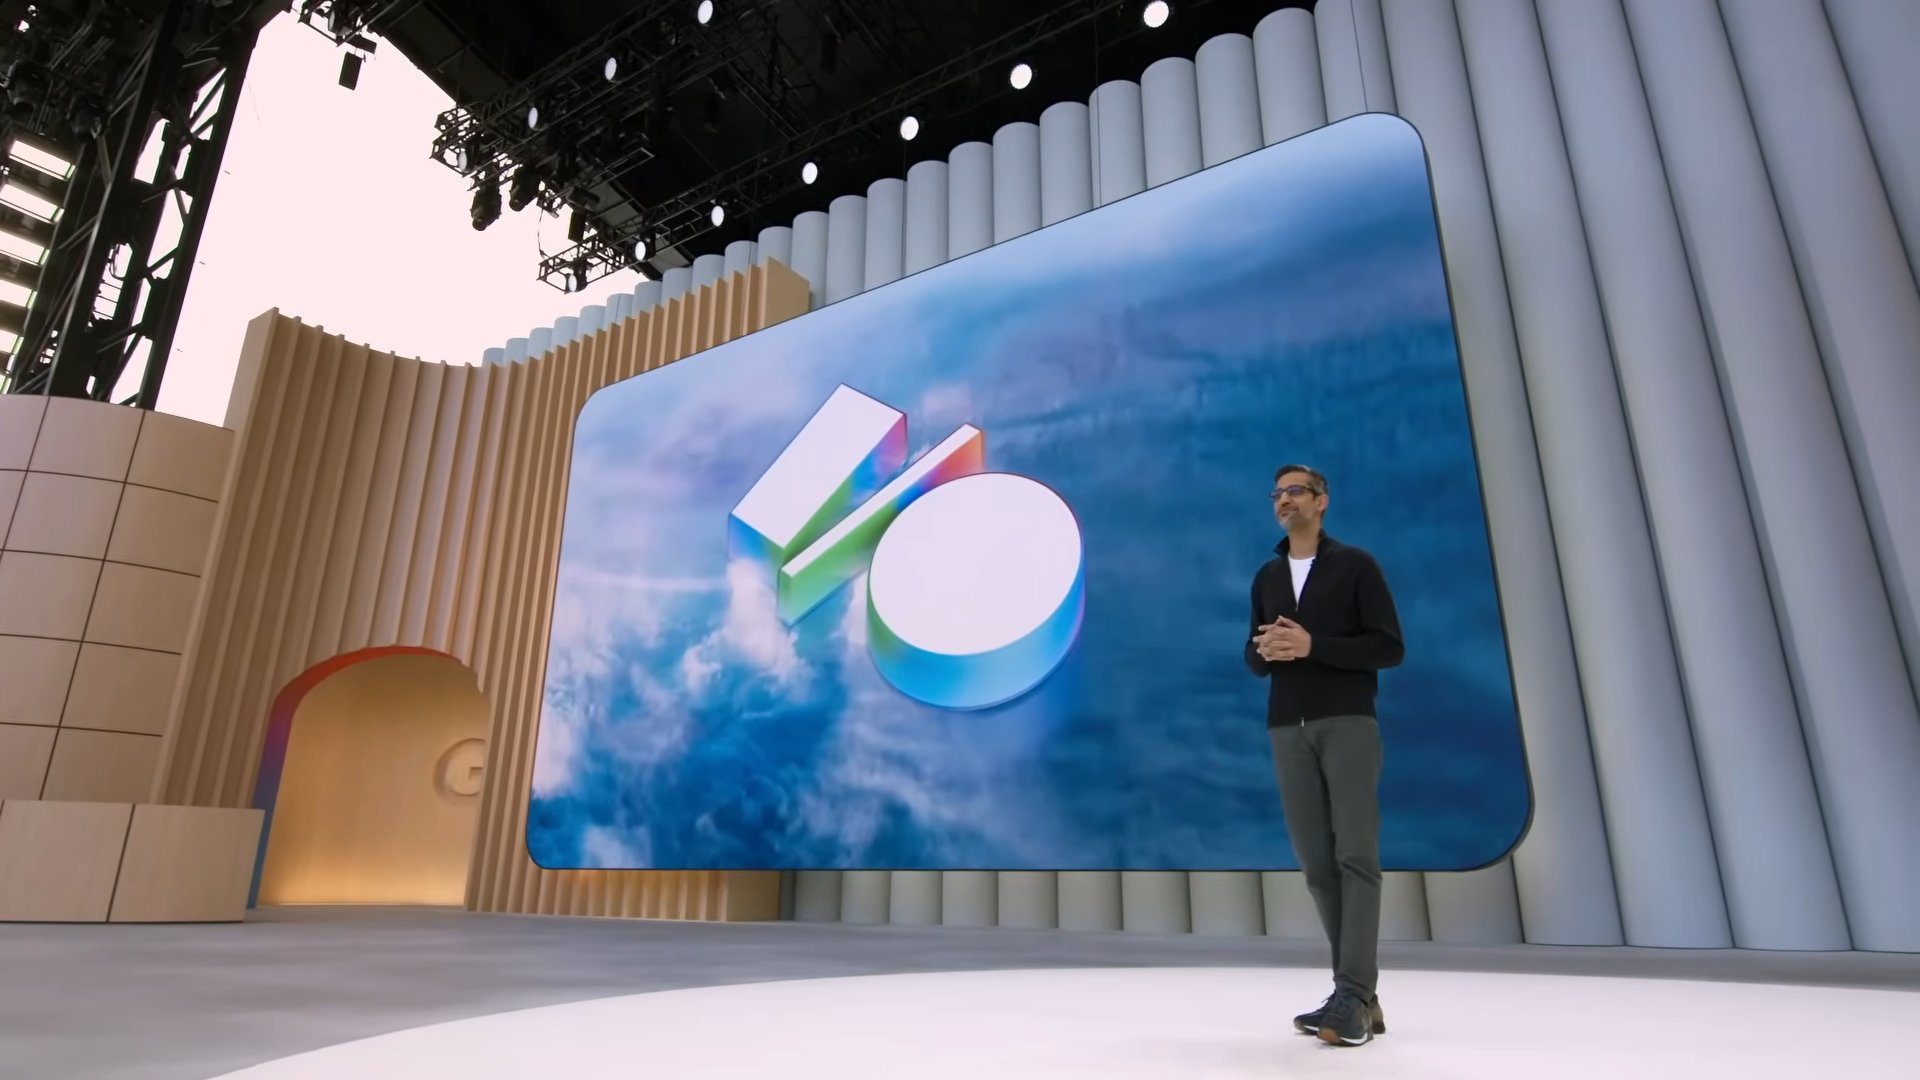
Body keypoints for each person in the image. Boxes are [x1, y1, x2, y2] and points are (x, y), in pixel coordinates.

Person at [1245, 464, 1404, 1048]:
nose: (1284, 500)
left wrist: (1314, 645)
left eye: (1295, 491)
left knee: (1355, 855)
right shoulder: (1267, 576)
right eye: (1277, 493)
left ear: (1322, 500)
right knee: (1317, 863)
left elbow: (1388, 646)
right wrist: (1264, 650)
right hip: (1287, 727)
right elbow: (1252, 657)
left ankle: (1353, 993)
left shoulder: (1356, 566)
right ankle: (1356, 994)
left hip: (1347, 722)